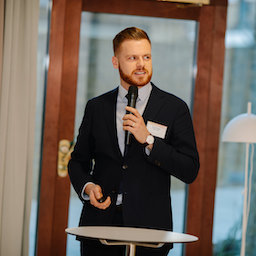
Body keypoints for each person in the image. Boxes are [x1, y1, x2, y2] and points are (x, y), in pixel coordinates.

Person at [68, 27, 199, 256]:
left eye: (146, 57)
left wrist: (148, 139)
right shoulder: (97, 107)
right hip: (99, 227)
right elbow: (77, 162)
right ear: (115, 62)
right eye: (132, 58)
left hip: (149, 231)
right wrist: (88, 187)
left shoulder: (174, 109)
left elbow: (190, 169)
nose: (141, 64)